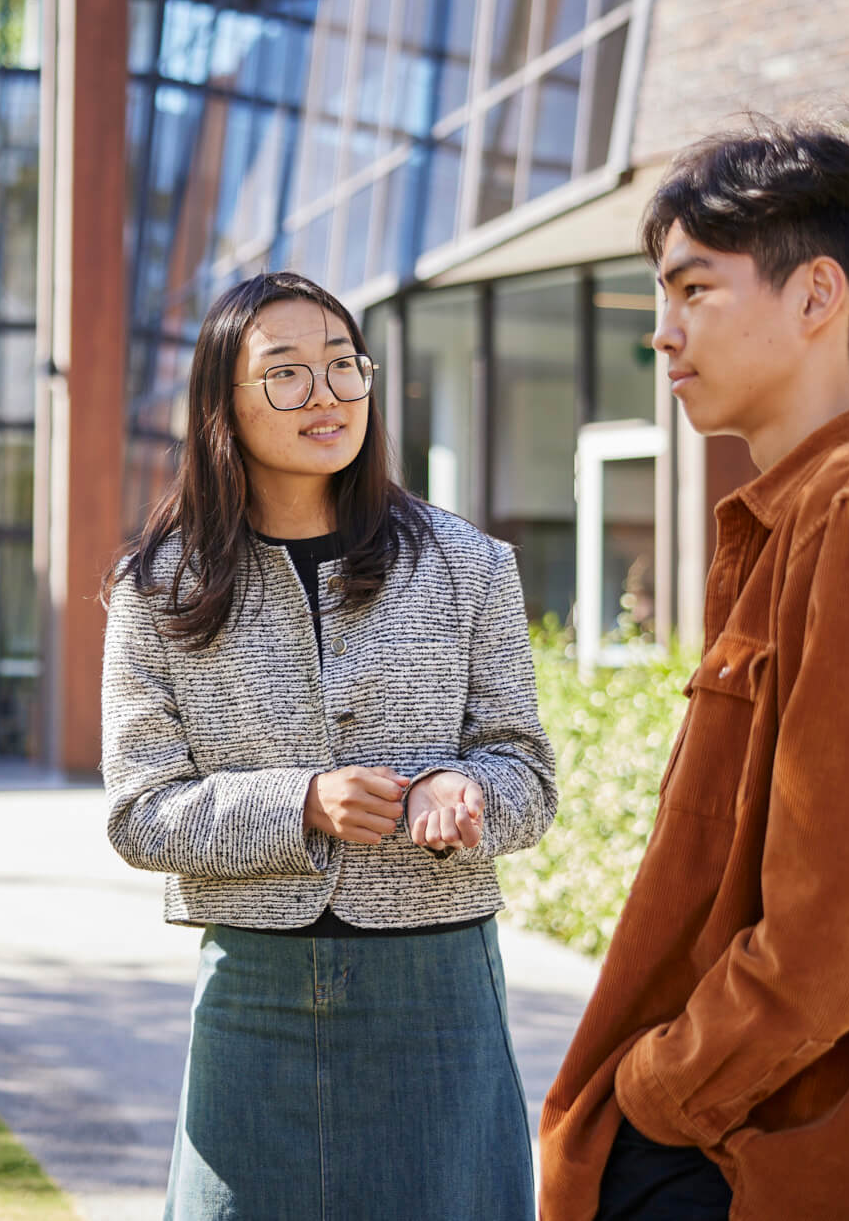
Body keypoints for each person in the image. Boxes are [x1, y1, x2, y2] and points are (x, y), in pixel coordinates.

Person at [539, 115, 849, 1220]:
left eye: (692, 290)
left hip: (775, 1162)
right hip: (761, 1147)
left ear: (814, 298)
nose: (661, 332)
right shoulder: (815, 511)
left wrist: (664, 1089)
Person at [101, 271, 559, 1220]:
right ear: (221, 404)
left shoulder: (469, 563)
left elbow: (527, 773)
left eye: (346, 365)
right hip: (253, 990)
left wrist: (460, 789)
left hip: (437, 993)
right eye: (288, 373)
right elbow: (140, 815)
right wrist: (301, 801)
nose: (329, 394)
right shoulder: (157, 590)